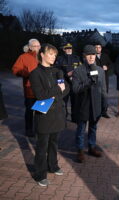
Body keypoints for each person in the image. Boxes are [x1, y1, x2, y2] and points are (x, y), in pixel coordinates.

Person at [29, 43, 69, 187]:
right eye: (51, 54)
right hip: (44, 116)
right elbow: (40, 95)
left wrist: (55, 93)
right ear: (42, 55)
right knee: (42, 147)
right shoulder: (35, 74)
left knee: (54, 143)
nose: (53, 57)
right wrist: (57, 90)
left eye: (55, 55)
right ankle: (40, 174)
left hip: (57, 113)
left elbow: (66, 90)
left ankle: (53, 166)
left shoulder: (57, 72)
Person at [72, 45, 107, 163]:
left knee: (93, 128)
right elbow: (75, 89)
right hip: (83, 104)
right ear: (84, 56)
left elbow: (103, 89)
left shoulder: (101, 70)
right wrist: (88, 82)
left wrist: (104, 104)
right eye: (88, 54)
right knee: (81, 129)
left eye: (93, 54)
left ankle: (92, 147)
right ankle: (80, 150)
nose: (91, 57)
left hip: (96, 104)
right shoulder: (78, 70)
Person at [12, 38, 40, 137]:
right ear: (30, 47)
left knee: (40, 111)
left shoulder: (42, 56)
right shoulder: (23, 57)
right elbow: (15, 70)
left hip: (42, 90)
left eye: (38, 46)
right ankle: (28, 129)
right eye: (35, 46)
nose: (37, 48)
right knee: (29, 111)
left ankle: (39, 129)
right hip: (30, 89)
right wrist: (27, 73)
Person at [55, 43, 81, 120]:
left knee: (75, 102)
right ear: (64, 50)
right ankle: (64, 117)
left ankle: (74, 117)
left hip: (74, 83)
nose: (69, 50)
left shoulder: (77, 58)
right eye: (67, 48)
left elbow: (80, 69)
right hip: (64, 83)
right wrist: (66, 75)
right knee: (63, 102)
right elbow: (57, 71)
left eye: (70, 48)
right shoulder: (60, 59)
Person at [95, 43, 112, 118]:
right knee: (96, 96)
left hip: (105, 79)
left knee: (104, 96)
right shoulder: (92, 56)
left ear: (101, 48)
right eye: (96, 47)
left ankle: (104, 111)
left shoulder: (105, 56)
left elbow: (111, 64)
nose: (98, 49)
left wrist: (107, 67)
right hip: (95, 79)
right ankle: (97, 112)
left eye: (99, 47)